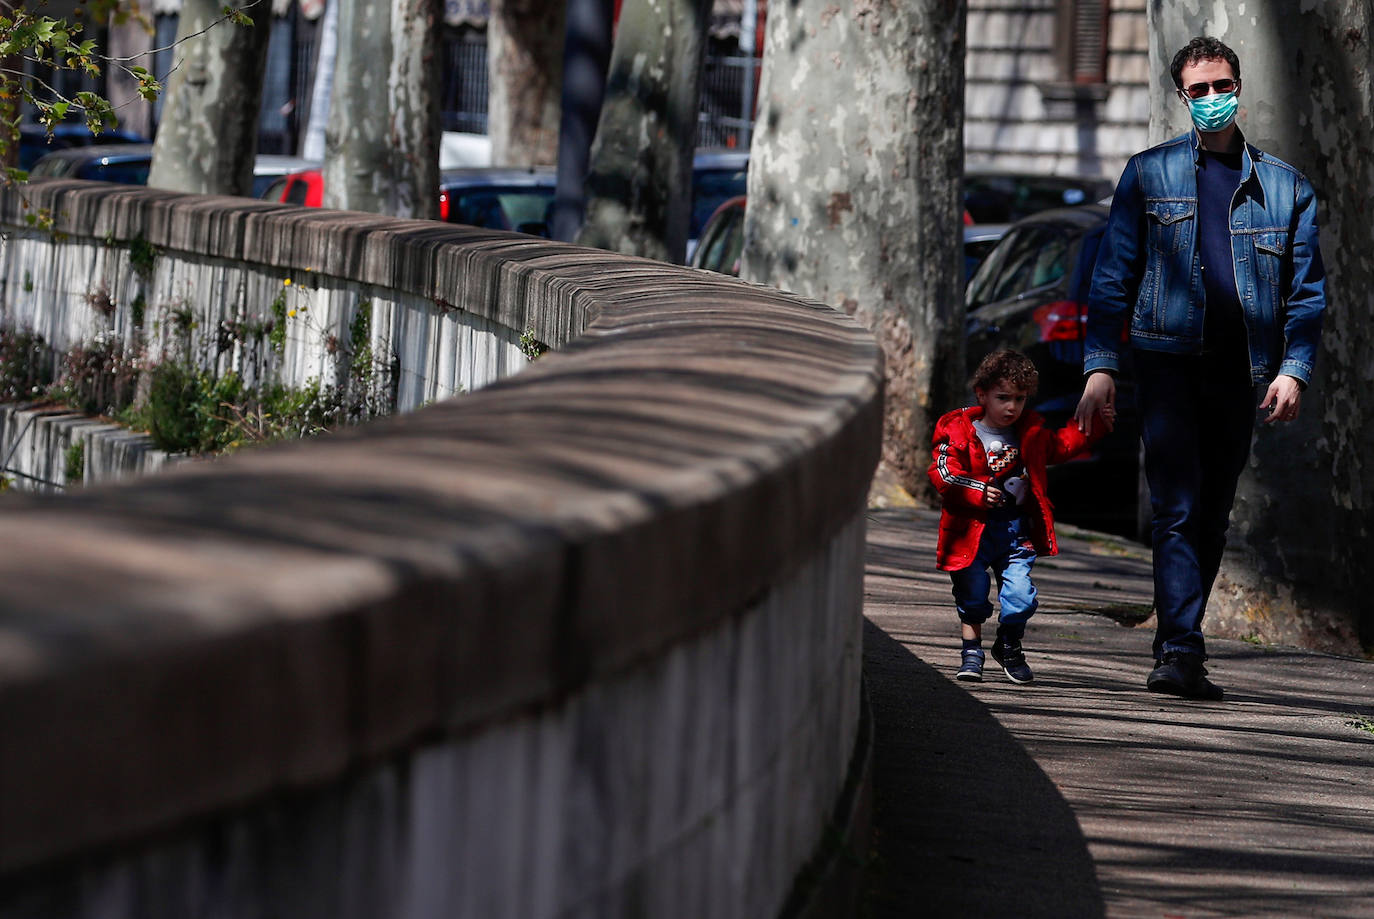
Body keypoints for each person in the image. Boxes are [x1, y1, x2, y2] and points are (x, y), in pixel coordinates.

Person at [1073, 36, 1327, 701]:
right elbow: (1112, 277)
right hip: (1165, 362)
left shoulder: (1285, 189)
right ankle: (1180, 650)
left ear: (1239, 87)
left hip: (1240, 371)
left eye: (1223, 86)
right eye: (1200, 90)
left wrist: (1294, 369)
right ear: (1181, 97)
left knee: (1211, 511)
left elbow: (1306, 293)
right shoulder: (1147, 174)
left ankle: (1181, 644)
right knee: (1178, 506)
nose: (1213, 99)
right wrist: (1100, 367)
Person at [929, 350, 1100, 684]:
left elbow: (1063, 446)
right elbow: (943, 472)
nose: (1011, 407)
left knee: (1021, 597)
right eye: (1002, 398)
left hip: (1014, 531)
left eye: (1020, 399)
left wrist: (1096, 425)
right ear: (982, 394)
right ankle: (971, 650)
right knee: (972, 594)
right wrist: (976, 489)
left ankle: (1008, 643)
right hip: (970, 531)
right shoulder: (958, 429)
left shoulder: (1030, 433)